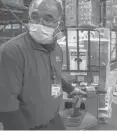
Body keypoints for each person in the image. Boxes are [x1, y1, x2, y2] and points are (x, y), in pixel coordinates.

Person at [0, 0, 86, 130]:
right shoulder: (12, 52)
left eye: (47, 19)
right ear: (29, 18)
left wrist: (70, 89)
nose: (39, 24)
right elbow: (6, 106)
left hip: (54, 120)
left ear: (59, 24)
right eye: (34, 17)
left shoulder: (56, 49)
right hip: (29, 127)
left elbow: (53, 74)